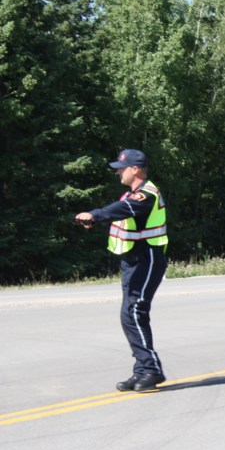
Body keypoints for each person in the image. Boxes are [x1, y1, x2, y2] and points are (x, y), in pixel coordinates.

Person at [75, 149, 169, 392]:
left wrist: (94, 214)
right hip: (132, 260)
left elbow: (123, 209)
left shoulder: (146, 194)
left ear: (135, 169)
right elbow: (122, 214)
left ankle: (151, 369)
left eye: (121, 167)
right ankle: (142, 369)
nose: (118, 171)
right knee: (129, 314)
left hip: (147, 257)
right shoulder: (131, 193)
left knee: (134, 311)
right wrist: (94, 221)